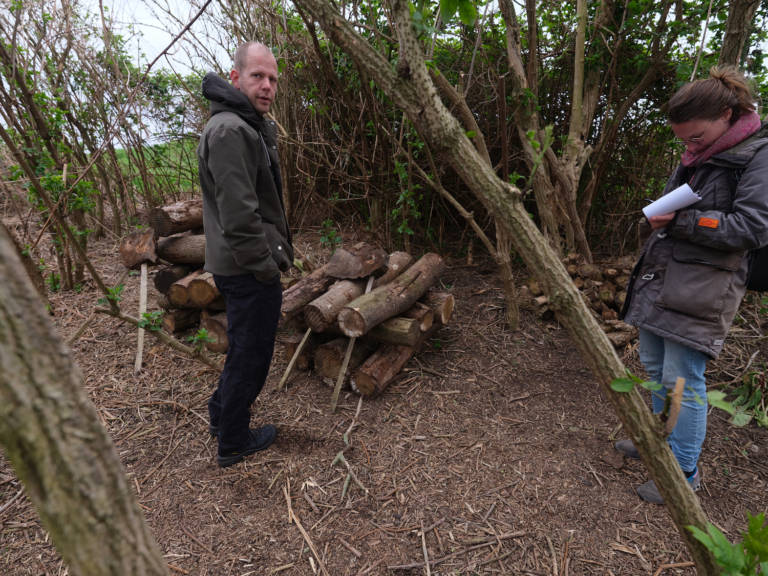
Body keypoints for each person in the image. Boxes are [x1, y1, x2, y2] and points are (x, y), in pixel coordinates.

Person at [618, 66, 768, 504]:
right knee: (654, 364)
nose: (688, 146)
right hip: (664, 274)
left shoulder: (758, 153)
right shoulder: (700, 154)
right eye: (682, 140)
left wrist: (681, 219)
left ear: (726, 114)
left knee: (684, 376)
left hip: (705, 286)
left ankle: (683, 472)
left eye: (695, 137)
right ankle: (656, 445)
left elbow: (753, 226)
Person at [197, 42, 293, 468]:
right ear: (235, 77)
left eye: (273, 78)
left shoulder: (243, 123)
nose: (268, 85)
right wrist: (266, 269)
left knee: (244, 349)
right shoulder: (231, 130)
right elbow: (239, 218)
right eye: (258, 76)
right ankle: (233, 440)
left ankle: (222, 415)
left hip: (242, 264)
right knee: (250, 354)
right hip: (246, 267)